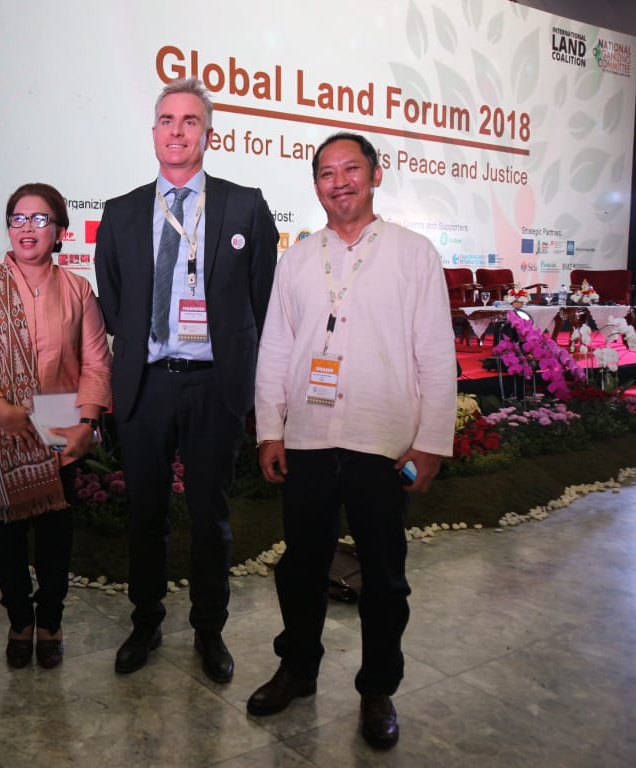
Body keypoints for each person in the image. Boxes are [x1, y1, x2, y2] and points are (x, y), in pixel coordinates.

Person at [249, 132, 457, 749]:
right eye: (326, 173)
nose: (339, 182)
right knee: (301, 566)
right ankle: (298, 668)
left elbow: (435, 353)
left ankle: (378, 688)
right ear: (315, 184)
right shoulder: (296, 259)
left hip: (383, 442)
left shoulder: (414, 254)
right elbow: (276, 349)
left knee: (384, 577)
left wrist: (431, 442)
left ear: (375, 174)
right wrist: (270, 429)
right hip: (308, 439)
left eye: (351, 169)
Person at [94, 77, 278, 684]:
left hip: (213, 386)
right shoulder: (120, 212)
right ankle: (145, 620)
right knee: (145, 515)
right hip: (146, 386)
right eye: (167, 121)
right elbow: (115, 300)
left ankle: (209, 629)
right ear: (154, 133)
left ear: (208, 134)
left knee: (210, 516)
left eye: (190, 121)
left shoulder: (244, 205)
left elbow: (262, 301)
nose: (177, 131)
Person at [0, 182, 111, 670]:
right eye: (18, 218)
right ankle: (19, 620)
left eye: (40, 219)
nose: (27, 228)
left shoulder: (77, 289)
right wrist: (1, 408)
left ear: (59, 231)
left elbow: (96, 362)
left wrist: (86, 421)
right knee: (8, 534)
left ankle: (50, 621)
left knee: (56, 532)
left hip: (59, 420)